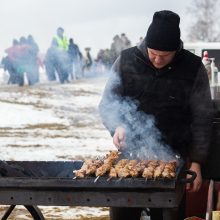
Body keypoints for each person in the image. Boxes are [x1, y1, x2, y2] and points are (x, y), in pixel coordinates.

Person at [99, 10, 213, 220]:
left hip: (175, 159)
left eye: (165, 55)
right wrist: (118, 126)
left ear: (176, 50)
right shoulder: (126, 60)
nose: (158, 60)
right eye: (153, 53)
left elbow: (202, 118)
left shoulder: (193, 67)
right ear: (146, 45)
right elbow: (107, 103)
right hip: (131, 155)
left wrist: (197, 161)